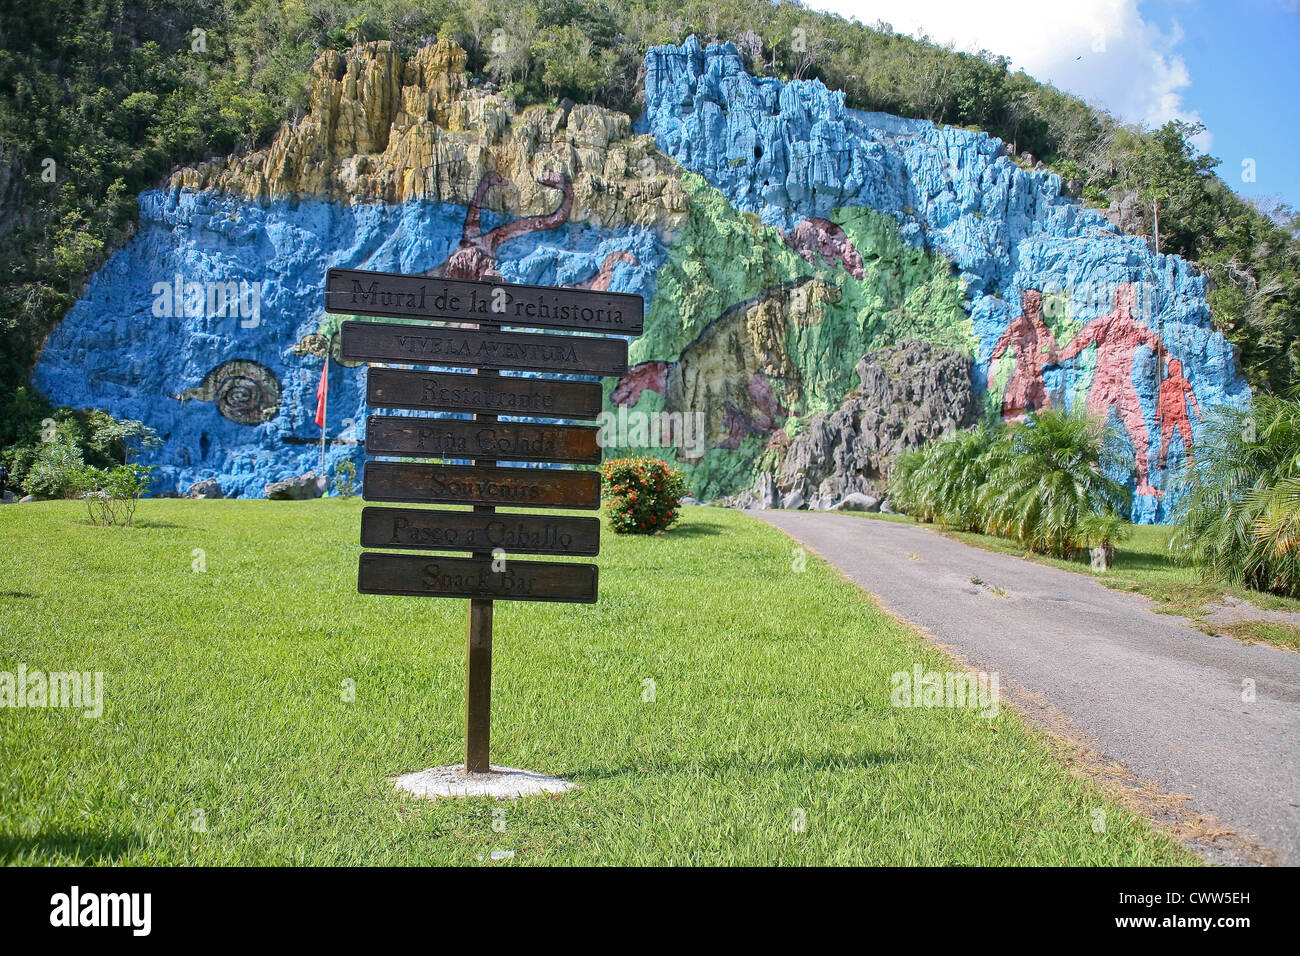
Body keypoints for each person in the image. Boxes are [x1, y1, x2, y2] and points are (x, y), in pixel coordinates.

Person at [1056, 283, 1164, 497]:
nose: (1128, 300)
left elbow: (1160, 348)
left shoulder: (1137, 328)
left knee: (1141, 435)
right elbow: (1073, 347)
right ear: (1117, 298)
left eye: (1132, 296)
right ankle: (1086, 481)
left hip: (1125, 387)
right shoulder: (1102, 325)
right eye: (1125, 296)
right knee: (1092, 434)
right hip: (1102, 384)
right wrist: (1050, 356)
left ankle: (1143, 484)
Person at [987, 289, 1058, 421]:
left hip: (1037, 379)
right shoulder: (1017, 324)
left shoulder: (1042, 329)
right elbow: (999, 348)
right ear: (1025, 304)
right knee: (1013, 413)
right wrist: (993, 374)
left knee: (1047, 413)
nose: (1034, 305)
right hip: (1021, 378)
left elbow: (1055, 352)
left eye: (1037, 302)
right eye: (1032, 302)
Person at [1156, 358, 1203, 468]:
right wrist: (1158, 416)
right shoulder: (1168, 384)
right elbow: (1161, 401)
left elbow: (1191, 397)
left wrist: (1198, 413)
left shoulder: (1181, 382)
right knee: (1169, 438)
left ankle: (1189, 460)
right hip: (1172, 415)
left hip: (1179, 415)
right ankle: (1163, 461)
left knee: (1184, 437)